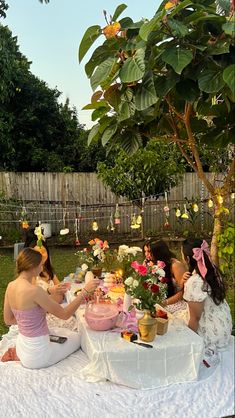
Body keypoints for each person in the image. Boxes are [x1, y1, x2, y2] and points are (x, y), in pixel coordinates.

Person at [3, 247, 99, 369]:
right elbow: (64, 315)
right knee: (79, 337)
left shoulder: (10, 286)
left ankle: (19, 354)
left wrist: (29, 321)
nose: (42, 268)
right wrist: (85, 292)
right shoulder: (34, 291)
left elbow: (8, 320)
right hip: (38, 355)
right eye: (41, 265)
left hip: (23, 347)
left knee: (61, 333)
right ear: (33, 267)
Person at [182, 238, 232, 354]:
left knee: (175, 324)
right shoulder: (213, 271)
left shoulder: (195, 282)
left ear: (188, 259)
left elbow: (195, 318)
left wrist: (187, 344)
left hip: (211, 334)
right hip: (223, 323)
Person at [24, 227, 66, 303]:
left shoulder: (48, 270)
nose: (41, 256)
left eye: (43, 252)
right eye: (37, 253)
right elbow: (33, 298)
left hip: (56, 308)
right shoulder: (31, 275)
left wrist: (62, 289)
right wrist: (50, 291)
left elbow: (59, 286)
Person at [148, 239, 187, 307]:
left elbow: (184, 291)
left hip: (177, 301)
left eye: (149, 252)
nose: (148, 255)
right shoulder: (156, 264)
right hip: (164, 300)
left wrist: (164, 303)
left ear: (157, 253)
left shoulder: (175, 265)